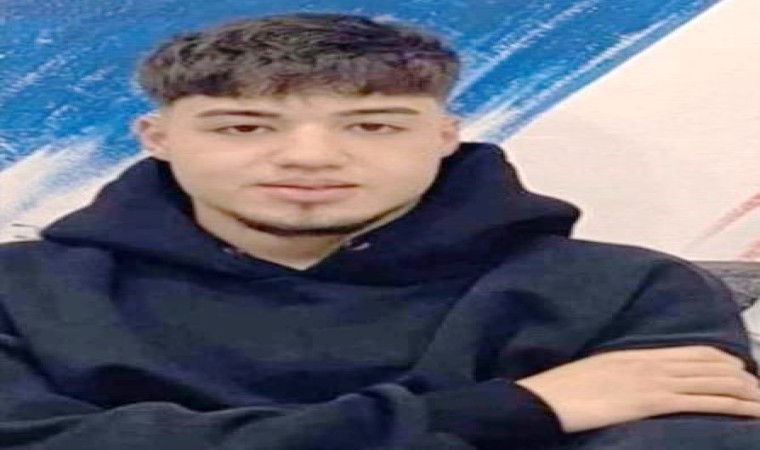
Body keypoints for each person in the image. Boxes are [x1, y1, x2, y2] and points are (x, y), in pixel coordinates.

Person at [0, 12, 759, 450]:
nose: (310, 156)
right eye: (243, 126)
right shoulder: (20, 290)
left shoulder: (626, 290)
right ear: (157, 137)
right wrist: (509, 412)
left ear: (445, 136)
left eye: (372, 125)